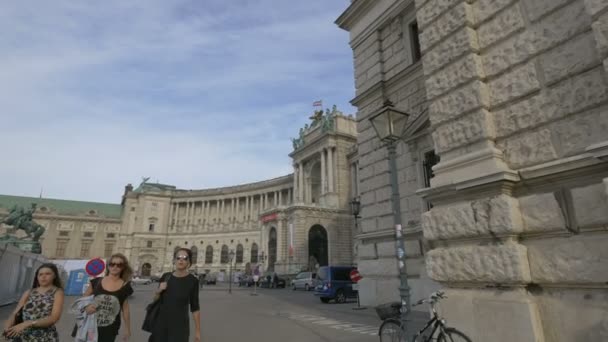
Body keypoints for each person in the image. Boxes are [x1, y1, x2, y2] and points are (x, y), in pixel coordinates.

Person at [2, 263, 65, 341]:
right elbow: (16, 312)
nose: (43, 277)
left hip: (44, 336)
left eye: (47, 274)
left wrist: (28, 323)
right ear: (37, 277)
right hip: (23, 335)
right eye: (40, 274)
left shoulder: (57, 292)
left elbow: (54, 318)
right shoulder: (29, 292)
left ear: (54, 276)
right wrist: (8, 325)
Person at [149, 248, 201, 342]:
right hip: (161, 324)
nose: (181, 260)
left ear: (189, 262)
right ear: (174, 260)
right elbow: (155, 300)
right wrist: (159, 291)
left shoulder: (193, 281)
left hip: (180, 327)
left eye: (185, 258)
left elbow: (195, 308)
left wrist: (197, 332)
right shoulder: (166, 276)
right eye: (178, 257)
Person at [82, 253, 133, 342]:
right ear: (108, 266)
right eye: (112, 264)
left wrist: (127, 329)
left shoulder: (125, 286)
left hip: (110, 328)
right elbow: (83, 300)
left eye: (119, 265)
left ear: (123, 267)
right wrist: (87, 306)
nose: (115, 267)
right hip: (91, 325)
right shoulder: (96, 282)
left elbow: (125, 309)